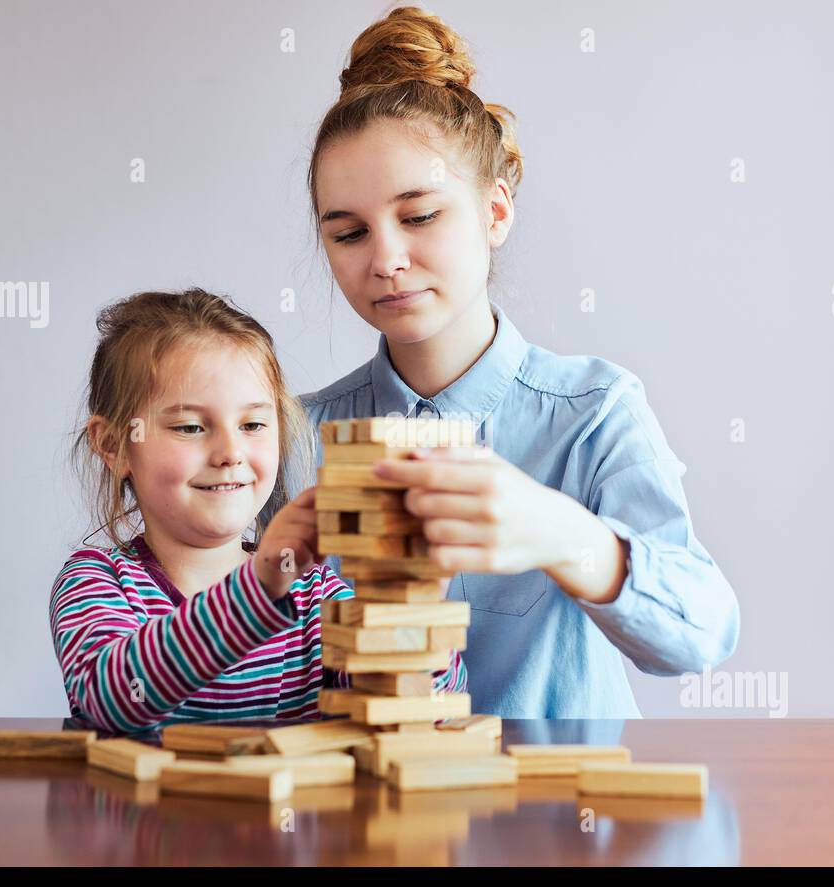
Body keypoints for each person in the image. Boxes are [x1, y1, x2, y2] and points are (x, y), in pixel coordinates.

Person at [299, 7, 738, 718]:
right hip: (369, 821)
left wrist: (562, 532)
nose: (386, 261)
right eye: (349, 233)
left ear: (495, 212)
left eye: (419, 217)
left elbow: (702, 634)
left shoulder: (596, 411)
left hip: (559, 823)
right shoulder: (296, 435)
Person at [50, 288, 464, 732]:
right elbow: (111, 699)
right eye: (190, 427)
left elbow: (427, 709)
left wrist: (415, 607)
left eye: (252, 425)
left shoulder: (313, 594)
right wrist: (259, 588)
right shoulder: (95, 581)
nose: (231, 452)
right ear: (115, 445)